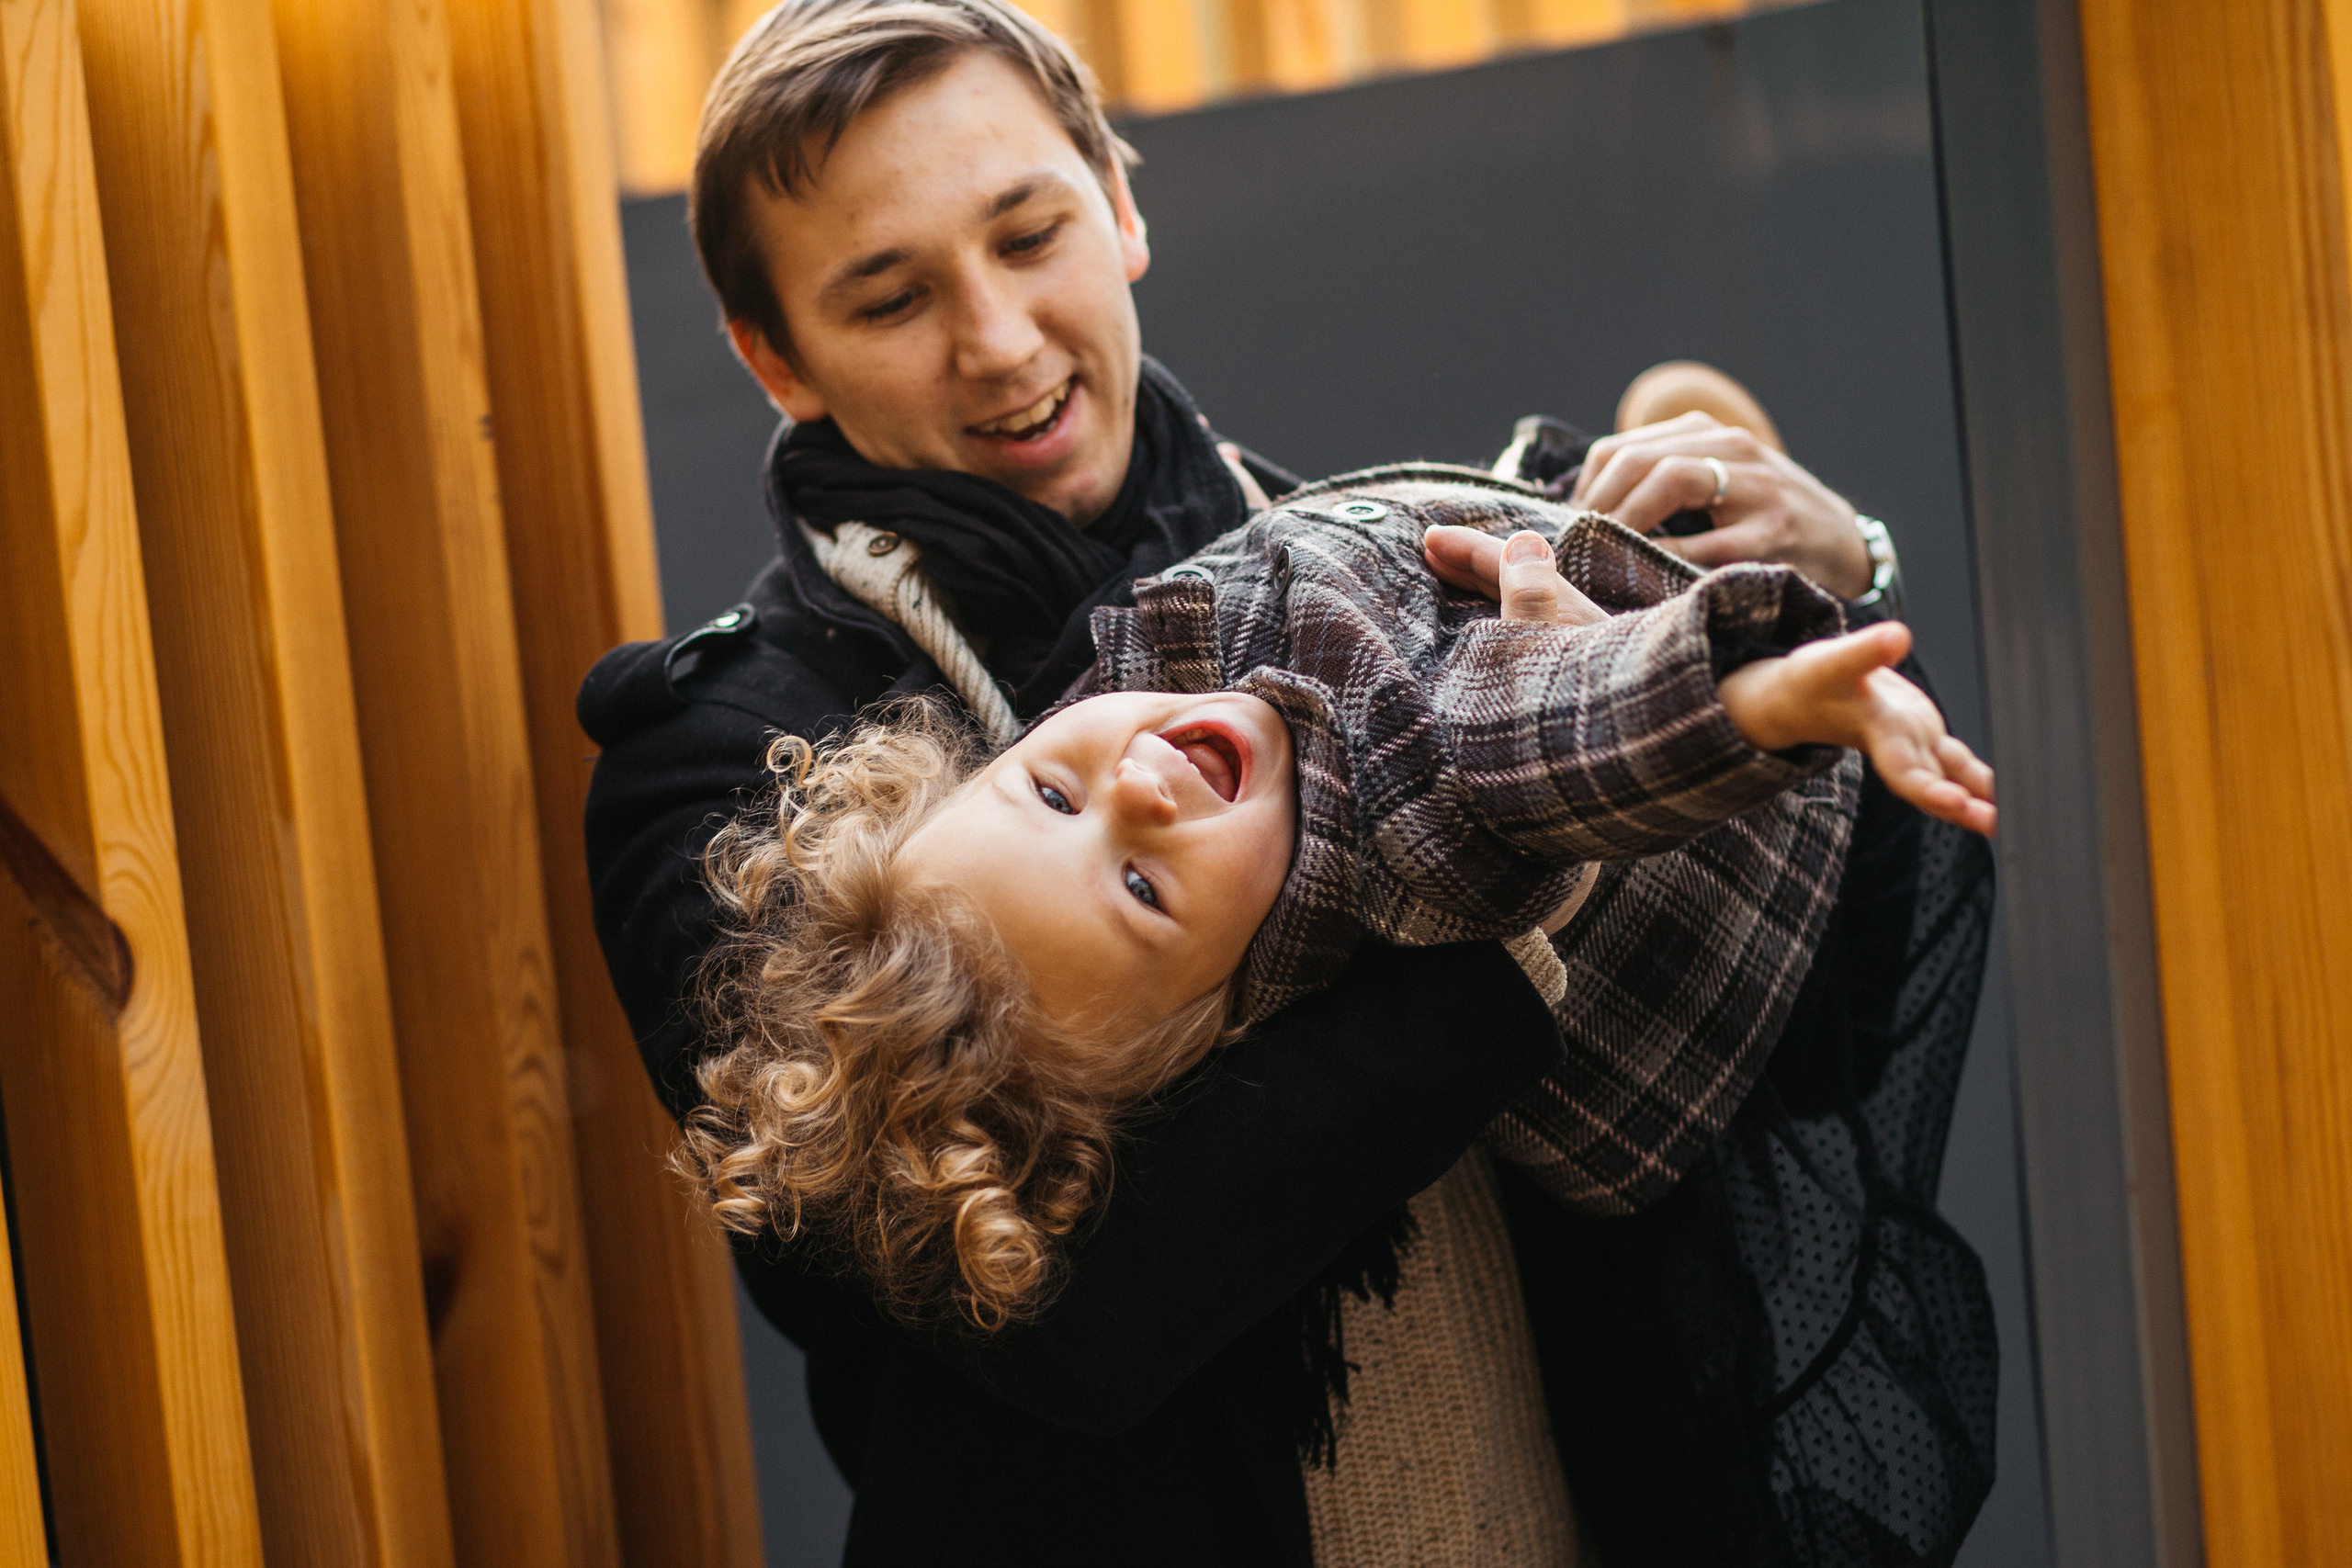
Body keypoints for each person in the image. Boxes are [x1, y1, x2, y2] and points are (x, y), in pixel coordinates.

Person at [578, 0, 1999, 1561]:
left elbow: (1818, 1039)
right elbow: (1046, 1315)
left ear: (1119, 204)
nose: (998, 340)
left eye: (1030, 235)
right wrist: (1519, 823)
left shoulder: (1362, 565)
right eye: (892, 296)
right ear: (775, 357)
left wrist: (1822, 610)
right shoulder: (730, 767)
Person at [679, 476, 1996, 1337]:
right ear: (1220, 1021)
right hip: (1761, 834)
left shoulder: (1135, 683)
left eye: (1052, 793)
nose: (1137, 788)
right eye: (1141, 889)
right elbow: (1559, 734)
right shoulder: (1398, 818)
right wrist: (1771, 693)